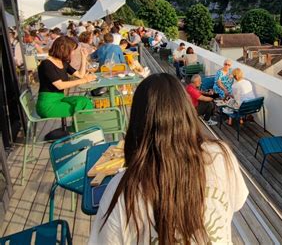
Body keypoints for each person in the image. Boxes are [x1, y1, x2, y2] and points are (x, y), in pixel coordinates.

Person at [90, 73, 248, 244]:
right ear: (186, 112)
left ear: (137, 123)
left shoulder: (124, 189)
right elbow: (236, 202)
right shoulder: (220, 155)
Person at [36, 36, 96, 118]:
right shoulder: (46, 64)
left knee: (84, 101)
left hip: (60, 98)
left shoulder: (63, 62)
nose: (73, 53)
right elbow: (60, 85)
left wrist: (84, 57)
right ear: (62, 48)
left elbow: (80, 75)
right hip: (48, 105)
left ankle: (81, 128)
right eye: (72, 50)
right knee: (82, 107)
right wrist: (84, 80)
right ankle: (81, 128)